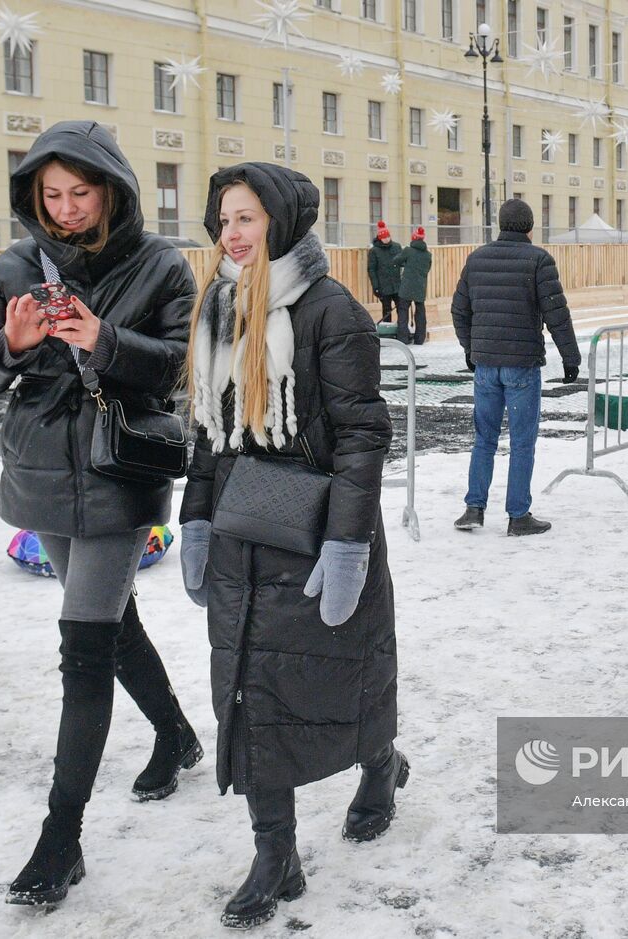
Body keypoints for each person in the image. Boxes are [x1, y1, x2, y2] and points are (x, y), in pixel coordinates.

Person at [0, 120, 201, 906]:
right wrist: (13, 345)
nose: (64, 208)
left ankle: (61, 839)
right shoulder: (18, 263)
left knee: (83, 645)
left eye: (79, 193)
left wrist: (105, 340)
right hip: (40, 467)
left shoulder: (160, 264)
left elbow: (181, 366)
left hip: (119, 469)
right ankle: (177, 734)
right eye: (50, 194)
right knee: (111, 621)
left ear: (112, 188)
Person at [177, 162, 404, 930]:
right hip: (243, 526)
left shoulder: (330, 310)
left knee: (347, 669)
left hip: (316, 528)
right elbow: (210, 433)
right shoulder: (220, 306)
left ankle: (380, 766)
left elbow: (363, 434)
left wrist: (347, 545)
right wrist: (196, 519)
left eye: (246, 219)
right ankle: (276, 850)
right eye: (223, 221)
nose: (232, 235)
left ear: (281, 221)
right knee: (246, 689)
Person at [450, 199, 581, 537]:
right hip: (521, 367)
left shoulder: (477, 259)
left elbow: (459, 309)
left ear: (500, 224)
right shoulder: (538, 260)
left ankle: (474, 508)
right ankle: (518, 515)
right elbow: (556, 313)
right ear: (529, 227)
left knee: (485, 439)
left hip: (485, 366)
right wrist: (571, 357)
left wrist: (470, 348)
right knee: (522, 442)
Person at [395, 226, 432, 345]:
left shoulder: (408, 250)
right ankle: (419, 339)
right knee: (420, 312)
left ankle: (403, 338)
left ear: (414, 238)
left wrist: (405, 264)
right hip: (420, 286)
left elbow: (396, 261)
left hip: (406, 287)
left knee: (403, 311)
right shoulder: (428, 255)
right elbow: (427, 269)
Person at [366, 220, 403, 324]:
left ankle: (402, 329)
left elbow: (402, 263)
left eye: (388, 237)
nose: (386, 239)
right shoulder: (374, 251)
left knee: (402, 308)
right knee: (387, 310)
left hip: (397, 284)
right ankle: (387, 329)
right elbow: (371, 269)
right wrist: (376, 287)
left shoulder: (397, 247)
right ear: (380, 238)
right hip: (384, 285)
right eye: (384, 238)